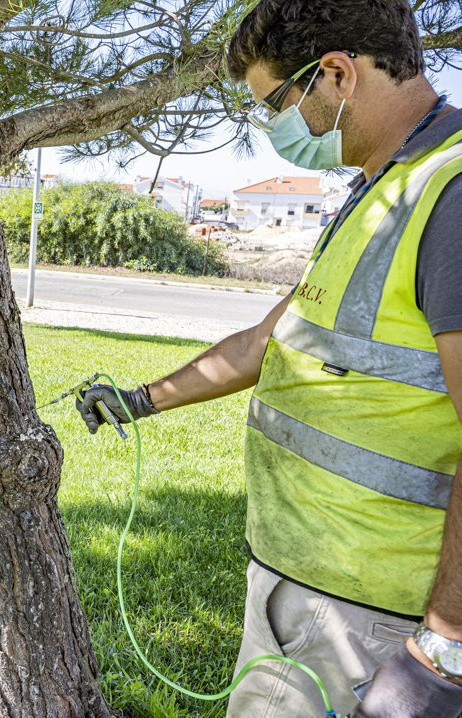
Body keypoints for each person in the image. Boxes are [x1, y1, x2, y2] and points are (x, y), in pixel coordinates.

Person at [76, 2, 462, 716]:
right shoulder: (379, 190)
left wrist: (445, 647)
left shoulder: (450, 193)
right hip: (306, 587)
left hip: (372, 616)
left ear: (337, 74)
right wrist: (140, 400)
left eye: (276, 104)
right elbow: (267, 343)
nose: (275, 127)